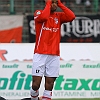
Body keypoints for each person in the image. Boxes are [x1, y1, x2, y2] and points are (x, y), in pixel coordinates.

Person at [30, 0, 75, 100]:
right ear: (47, 2)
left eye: (55, 3)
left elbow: (72, 16)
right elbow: (44, 17)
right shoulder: (38, 13)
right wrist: (48, 3)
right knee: (35, 85)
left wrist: (60, 3)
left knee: (49, 86)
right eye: (52, 2)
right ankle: (34, 98)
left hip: (54, 55)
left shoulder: (58, 16)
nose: (54, 5)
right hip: (40, 54)